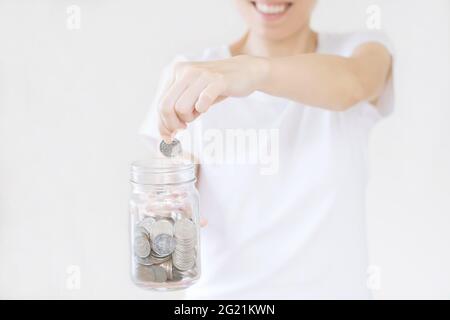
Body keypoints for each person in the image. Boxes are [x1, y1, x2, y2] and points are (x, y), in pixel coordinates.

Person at [141, 0, 394, 299]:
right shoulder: (189, 74)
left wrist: (256, 71)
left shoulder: (360, 51)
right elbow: (171, 168)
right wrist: (172, 194)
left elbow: (355, 84)